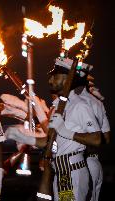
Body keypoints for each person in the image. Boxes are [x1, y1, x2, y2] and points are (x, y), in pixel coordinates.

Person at [47, 57, 102, 201]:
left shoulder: (79, 106)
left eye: (55, 76)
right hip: (61, 172)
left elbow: (97, 139)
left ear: (67, 79)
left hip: (73, 171)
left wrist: (67, 132)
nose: (50, 80)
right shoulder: (60, 107)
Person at [73, 77, 111, 201]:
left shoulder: (75, 103)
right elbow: (106, 138)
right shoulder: (97, 103)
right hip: (92, 163)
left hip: (79, 164)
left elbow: (98, 139)